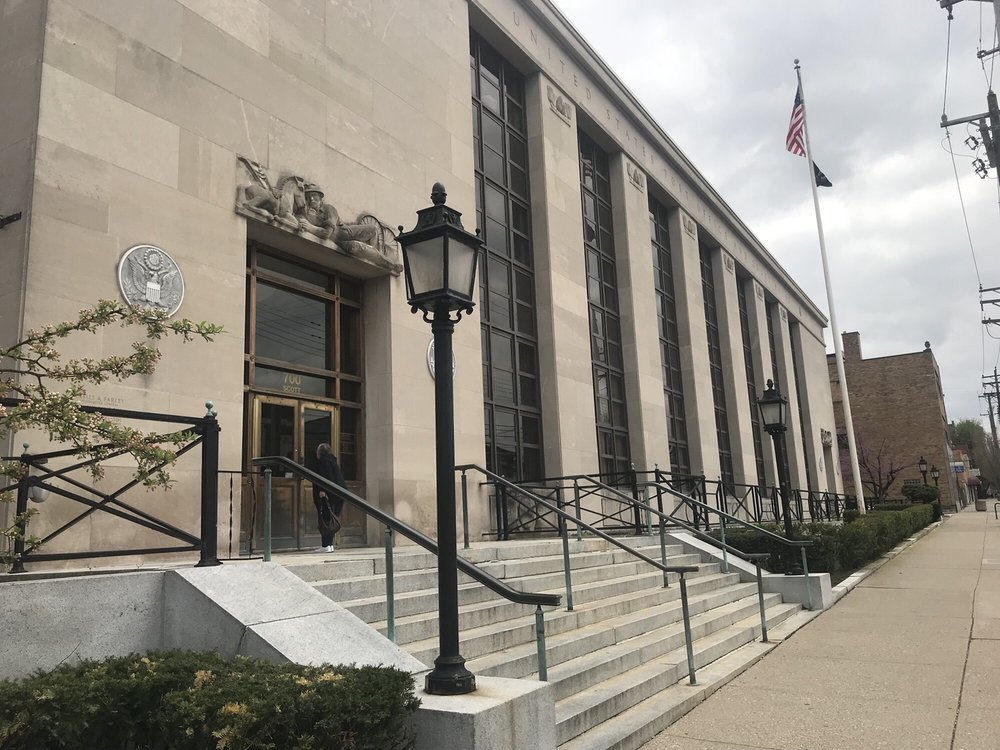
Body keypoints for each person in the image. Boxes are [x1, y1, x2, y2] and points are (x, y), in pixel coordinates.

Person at [312, 443, 346, 552]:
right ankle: (329, 545)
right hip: (337, 495)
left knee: (326, 519)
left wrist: (323, 490)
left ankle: (326, 545)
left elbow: (325, 477)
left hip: (328, 494)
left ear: (319, 452)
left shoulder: (323, 462)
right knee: (331, 519)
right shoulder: (332, 461)